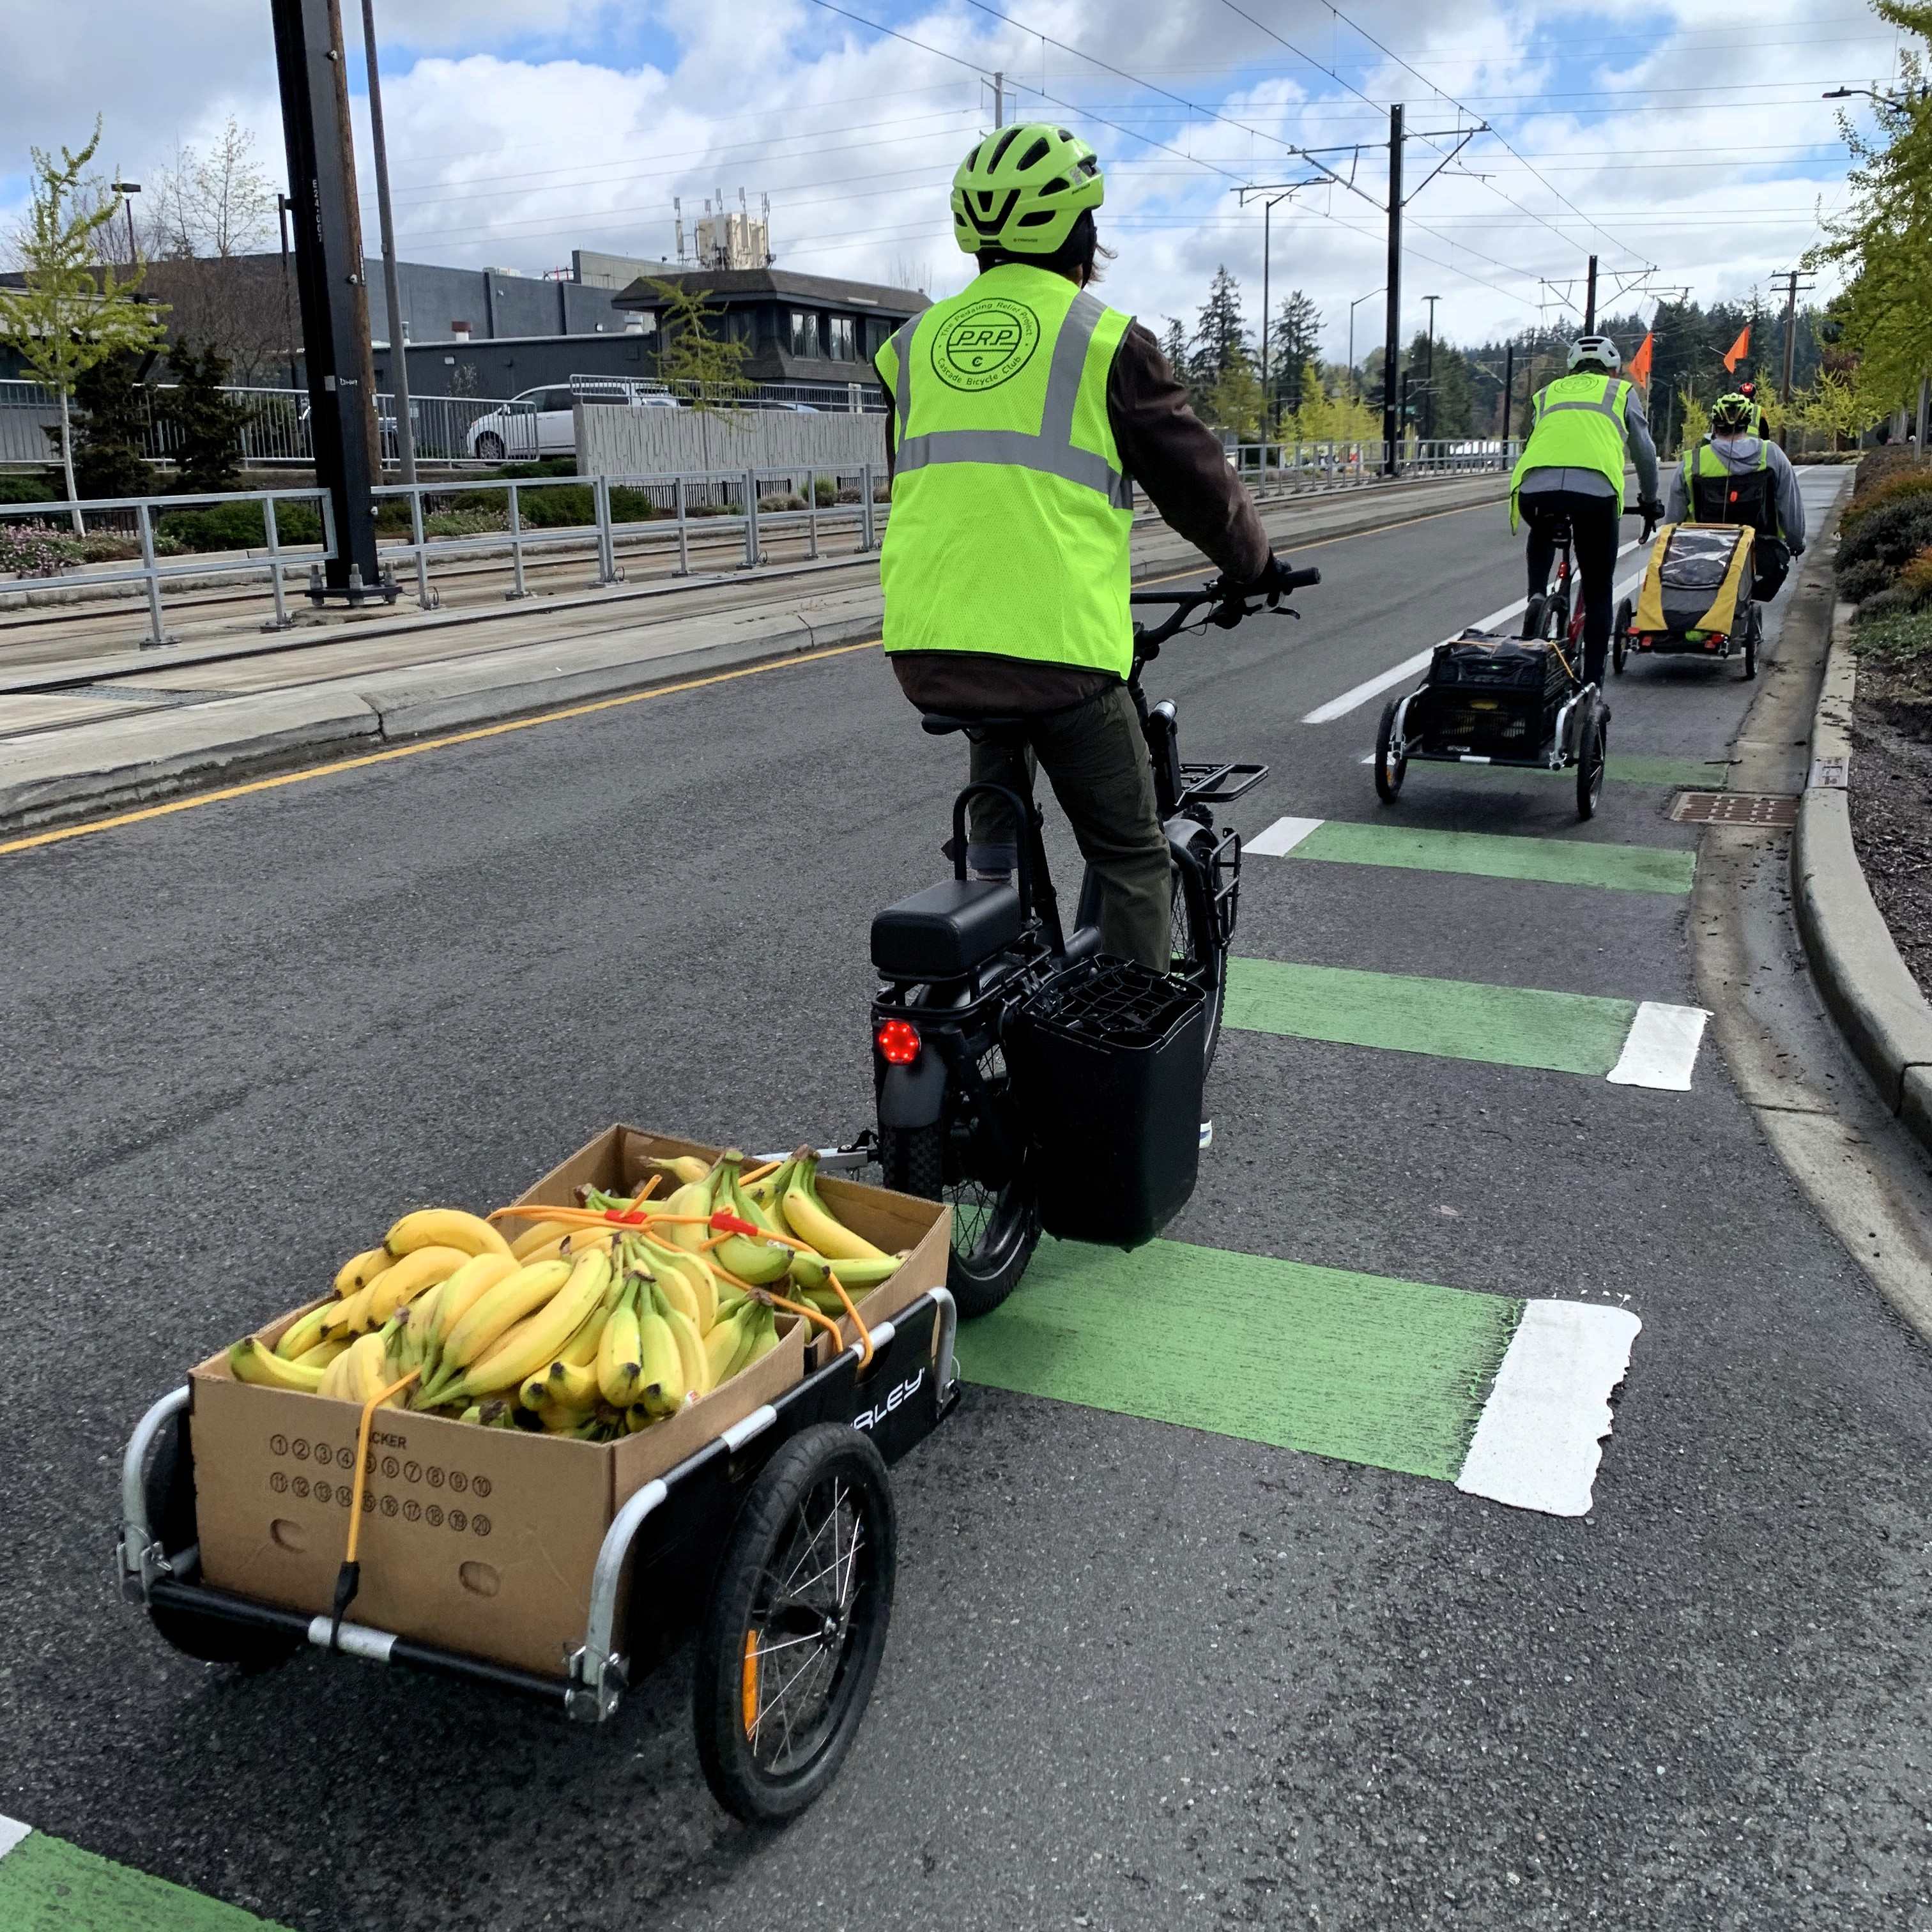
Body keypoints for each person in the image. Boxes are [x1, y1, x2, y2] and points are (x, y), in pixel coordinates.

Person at [872, 123, 1291, 972]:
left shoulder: (912, 347)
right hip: (1059, 652)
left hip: (931, 646)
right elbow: (1201, 489)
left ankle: (990, 909)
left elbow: (936, 487)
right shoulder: (1105, 341)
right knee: (1130, 855)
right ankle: (1125, 1039)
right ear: (1081, 234)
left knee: (997, 741)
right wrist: (1255, 566)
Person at [1510, 334, 1664, 686]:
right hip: (1595, 493)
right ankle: (1593, 682)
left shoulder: (1547, 393)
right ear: (1613, 370)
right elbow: (1644, 451)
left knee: (1542, 528)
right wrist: (1649, 500)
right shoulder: (1621, 392)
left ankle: (1536, 597)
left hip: (1534, 488)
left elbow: (1537, 440)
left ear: (1572, 368)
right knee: (1597, 591)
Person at [1666, 390, 1807, 601]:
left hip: (1703, 555)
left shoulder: (1693, 462)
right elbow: (1790, 505)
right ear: (1748, 424)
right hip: (1761, 553)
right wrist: (1796, 542)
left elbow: (1673, 521)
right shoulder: (1772, 455)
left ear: (1714, 426)